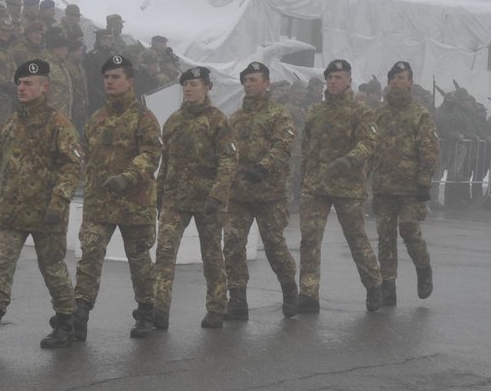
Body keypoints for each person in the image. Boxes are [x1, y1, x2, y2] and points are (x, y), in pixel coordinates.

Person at [0, 60, 84, 353]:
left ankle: (66, 322)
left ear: (44, 87)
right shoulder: (10, 123)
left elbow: (72, 167)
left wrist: (59, 202)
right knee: (1, 267)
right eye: (19, 83)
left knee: (53, 269)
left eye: (29, 83)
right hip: (11, 212)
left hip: (46, 212)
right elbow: (2, 165)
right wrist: (0, 198)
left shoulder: (60, 125)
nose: (22, 88)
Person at [140, 66, 236, 335]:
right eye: (186, 85)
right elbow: (166, 162)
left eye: (194, 84)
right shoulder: (173, 121)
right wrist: (159, 197)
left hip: (207, 201)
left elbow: (228, 160)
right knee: (165, 253)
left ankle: (217, 307)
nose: (189, 89)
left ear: (207, 87)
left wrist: (218, 194)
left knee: (212, 254)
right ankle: (159, 310)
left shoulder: (218, 121)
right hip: (175, 199)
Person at [72, 53, 162, 339]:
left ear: (130, 81)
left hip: (134, 203)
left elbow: (151, 154)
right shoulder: (96, 120)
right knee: (90, 256)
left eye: (116, 77)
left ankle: (146, 312)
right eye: (106, 77)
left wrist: (127, 177)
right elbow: (83, 156)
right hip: (100, 204)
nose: (109, 82)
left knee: (139, 261)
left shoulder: (144, 118)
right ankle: (80, 315)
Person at [296, 59, 382, 312]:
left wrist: (350, 160)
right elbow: (307, 146)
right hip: (316, 185)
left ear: (348, 81)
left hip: (347, 185)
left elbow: (369, 143)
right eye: (330, 78)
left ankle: (374, 285)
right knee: (309, 239)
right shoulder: (315, 112)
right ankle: (308, 293)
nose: (333, 82)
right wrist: (304, 178)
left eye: (338, 77)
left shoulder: (361, 112)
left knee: (356, 238)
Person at [223, 61, 300, 319]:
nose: (248, 84)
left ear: (266, 84)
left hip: (269, 193)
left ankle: (290, 290)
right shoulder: (235, 118)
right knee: (233, 244)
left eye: (254, 80)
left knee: (274, 245)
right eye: (245, 80)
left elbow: (283, 145)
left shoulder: (279, 115)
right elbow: (226, 152)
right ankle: (237, 300)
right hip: (239, 195)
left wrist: (263, 167)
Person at [370, 61, 439, 306]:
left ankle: (423, 268)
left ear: (410, 82)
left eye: (401, 77)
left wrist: (423, 183)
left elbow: (429, 149)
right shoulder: (378, 112)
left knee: (409, 229)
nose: (396, 82)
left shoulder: (419, 113)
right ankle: (388, 285)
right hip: (384, 186)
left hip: (410, 187)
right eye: (393, 78)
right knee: (385, 236)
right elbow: (368, 144)